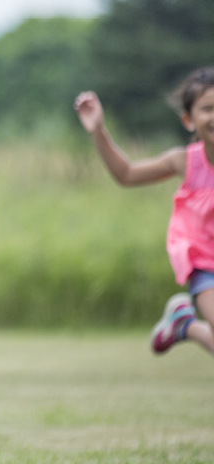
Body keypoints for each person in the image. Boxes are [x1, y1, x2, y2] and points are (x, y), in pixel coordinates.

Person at [75, 68, 214, 358]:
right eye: (208, 108)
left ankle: (184, 325)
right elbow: (126, 174)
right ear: (188, 120)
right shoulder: (185, 162)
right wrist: (98, 130)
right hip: (204, 265)